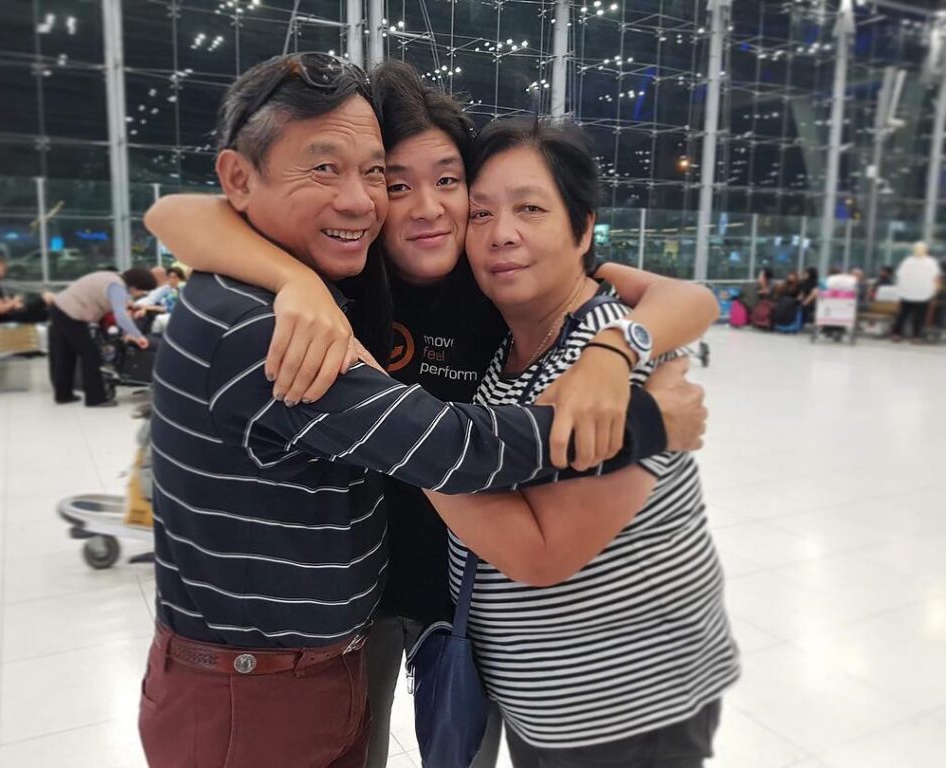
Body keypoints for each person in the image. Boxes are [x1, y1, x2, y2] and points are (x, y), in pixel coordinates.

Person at [138, 53, 708, 768]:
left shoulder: (500, 272)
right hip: (360, 604)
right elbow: (173, 213)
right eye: (396, 183)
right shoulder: (339, 272)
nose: (426, 207)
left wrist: (614, 353)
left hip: (464, 594)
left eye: (448, 181)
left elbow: (686, 298)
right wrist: (294, 282)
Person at [423, 117, 738, 768]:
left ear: (583, 227)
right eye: (479, 214)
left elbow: (544, 554)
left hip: (626, 709)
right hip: (543, 703)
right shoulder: (508, 341)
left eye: (530, 208)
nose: (502, 233)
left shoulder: (615, 351)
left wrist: (391, 438)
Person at [46, 267, 155, 406]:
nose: (141, 294)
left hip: (59, 308)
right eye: (142, 290)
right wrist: (138, 336)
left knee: (66, 355)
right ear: (135, 285)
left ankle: (63, 394)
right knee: (91, 355)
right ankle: (96, 399)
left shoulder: (112, 278)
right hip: (71, 315)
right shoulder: (117, 287)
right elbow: (120, 316)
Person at [0, 253, 50, 324]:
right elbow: (1, 309)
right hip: (12, 317)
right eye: (2, 270)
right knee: (49, 303)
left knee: (48, 298)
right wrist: (15, 301)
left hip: (13, 313)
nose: (3, 274)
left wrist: (11, 302)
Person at [892, 241, 942, 342]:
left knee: (916, 317)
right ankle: (900, 334)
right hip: (909, 294)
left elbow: (936, 278)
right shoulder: (908, 261)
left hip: (921, 294)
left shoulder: (930, 262)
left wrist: (935, 291)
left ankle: (914, 335)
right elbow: (900, 277)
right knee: (903, 315)